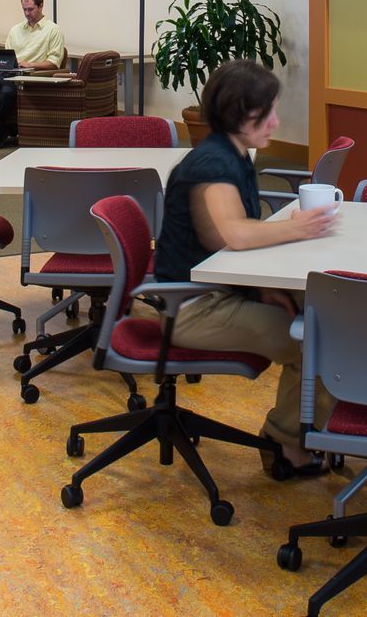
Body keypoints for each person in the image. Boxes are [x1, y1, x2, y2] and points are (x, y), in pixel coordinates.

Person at [146, 60, 338, 475]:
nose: (275, 122)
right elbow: (234, 234)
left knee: (321, 314)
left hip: (215, 291)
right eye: (266, 112)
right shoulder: (212, 164)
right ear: (238, 113)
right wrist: (298, 229)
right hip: (193, 308)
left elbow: (217, 242)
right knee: (320, 347)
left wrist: (259, 289)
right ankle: (286, 443)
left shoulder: (230, 154)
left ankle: (313, 428)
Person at [0, 0, 65, 148]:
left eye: (30, 9)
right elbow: (7, 57)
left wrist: (30, 64)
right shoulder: (16, 30)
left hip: (29, 76)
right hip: (7, 73)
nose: (27, 13)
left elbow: (54, 63)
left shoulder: (53, 30)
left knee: (7, 92)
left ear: (41, 6)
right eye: (24, 10)